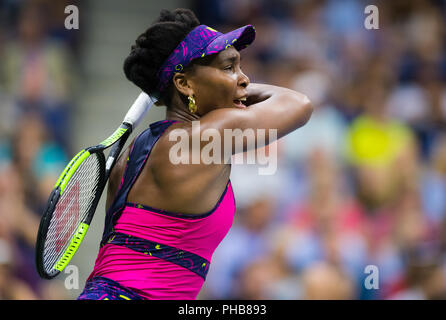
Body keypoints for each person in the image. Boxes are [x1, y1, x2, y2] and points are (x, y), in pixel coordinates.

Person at [78, 8, 312, 300]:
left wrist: (229, 89)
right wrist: (237, 94)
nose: (244, 79)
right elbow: (299, 104)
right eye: (229, 68)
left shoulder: (135, 152)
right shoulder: (200, 138)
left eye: (240, 68)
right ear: (185, 84)